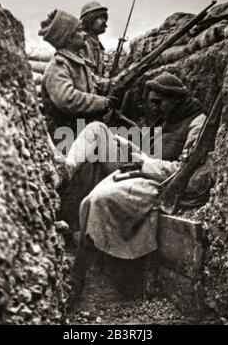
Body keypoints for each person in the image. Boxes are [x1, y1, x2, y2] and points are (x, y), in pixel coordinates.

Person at [65, 71, 208, 307]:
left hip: (160, 182)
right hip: (144, 165)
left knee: (98, 200)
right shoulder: (170, 116)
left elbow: (184, 170)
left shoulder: (196, 122)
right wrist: (134, 149)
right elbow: (155, 148)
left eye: (158, 102)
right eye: (151, 101)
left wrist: (144, 163)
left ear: (175, 99)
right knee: (97, 129)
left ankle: (77, 278)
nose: (153, 107)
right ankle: (66, 171)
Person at [38, 9, 114, 144]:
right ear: (68, 38)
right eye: (79, 31)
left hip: (80, 131)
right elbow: (68, 99)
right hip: (65, 136)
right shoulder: (58, 67)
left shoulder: (77, 63)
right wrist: (101, 103)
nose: (84, 34)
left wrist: (112, 85)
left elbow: (93, 81)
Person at [80, 1, 108, 76]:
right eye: (100, 17)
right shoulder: (80, 43)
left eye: (104, 18)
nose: (104, 21)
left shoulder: (99, 47)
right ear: (89, 19)